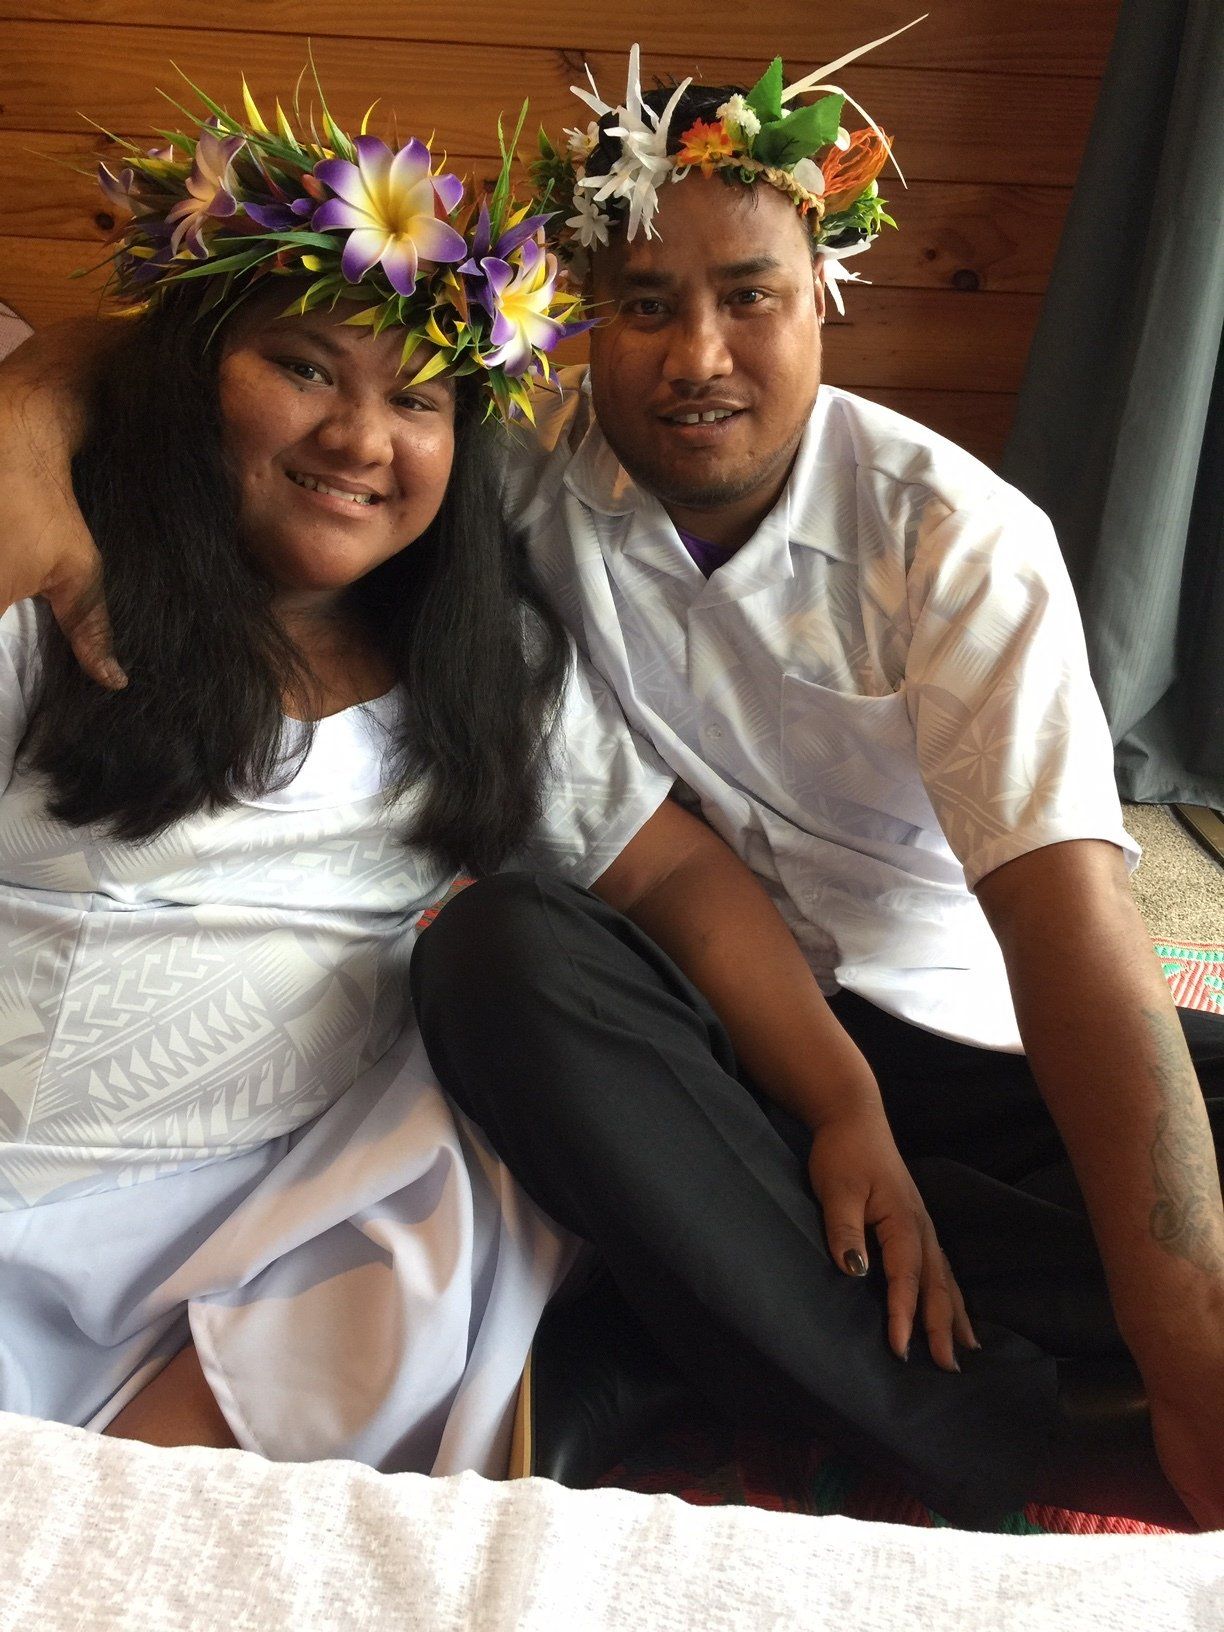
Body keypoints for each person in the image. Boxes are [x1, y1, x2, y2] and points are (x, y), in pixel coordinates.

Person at [2, 45, 1220, 1528]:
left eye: (749, 297)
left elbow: (1074, 932)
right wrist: (52, 400)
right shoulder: (517, 483)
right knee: (495, 961)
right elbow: (206, 377)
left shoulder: (952, 539)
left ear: (824, 291)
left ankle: (697, 1314)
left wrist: (1181, 1321)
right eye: (642, 306)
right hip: (640, 1036)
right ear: (576, 329)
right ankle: (961, 1412)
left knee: (1159, 1127)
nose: (697, 357)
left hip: (937, 1034)